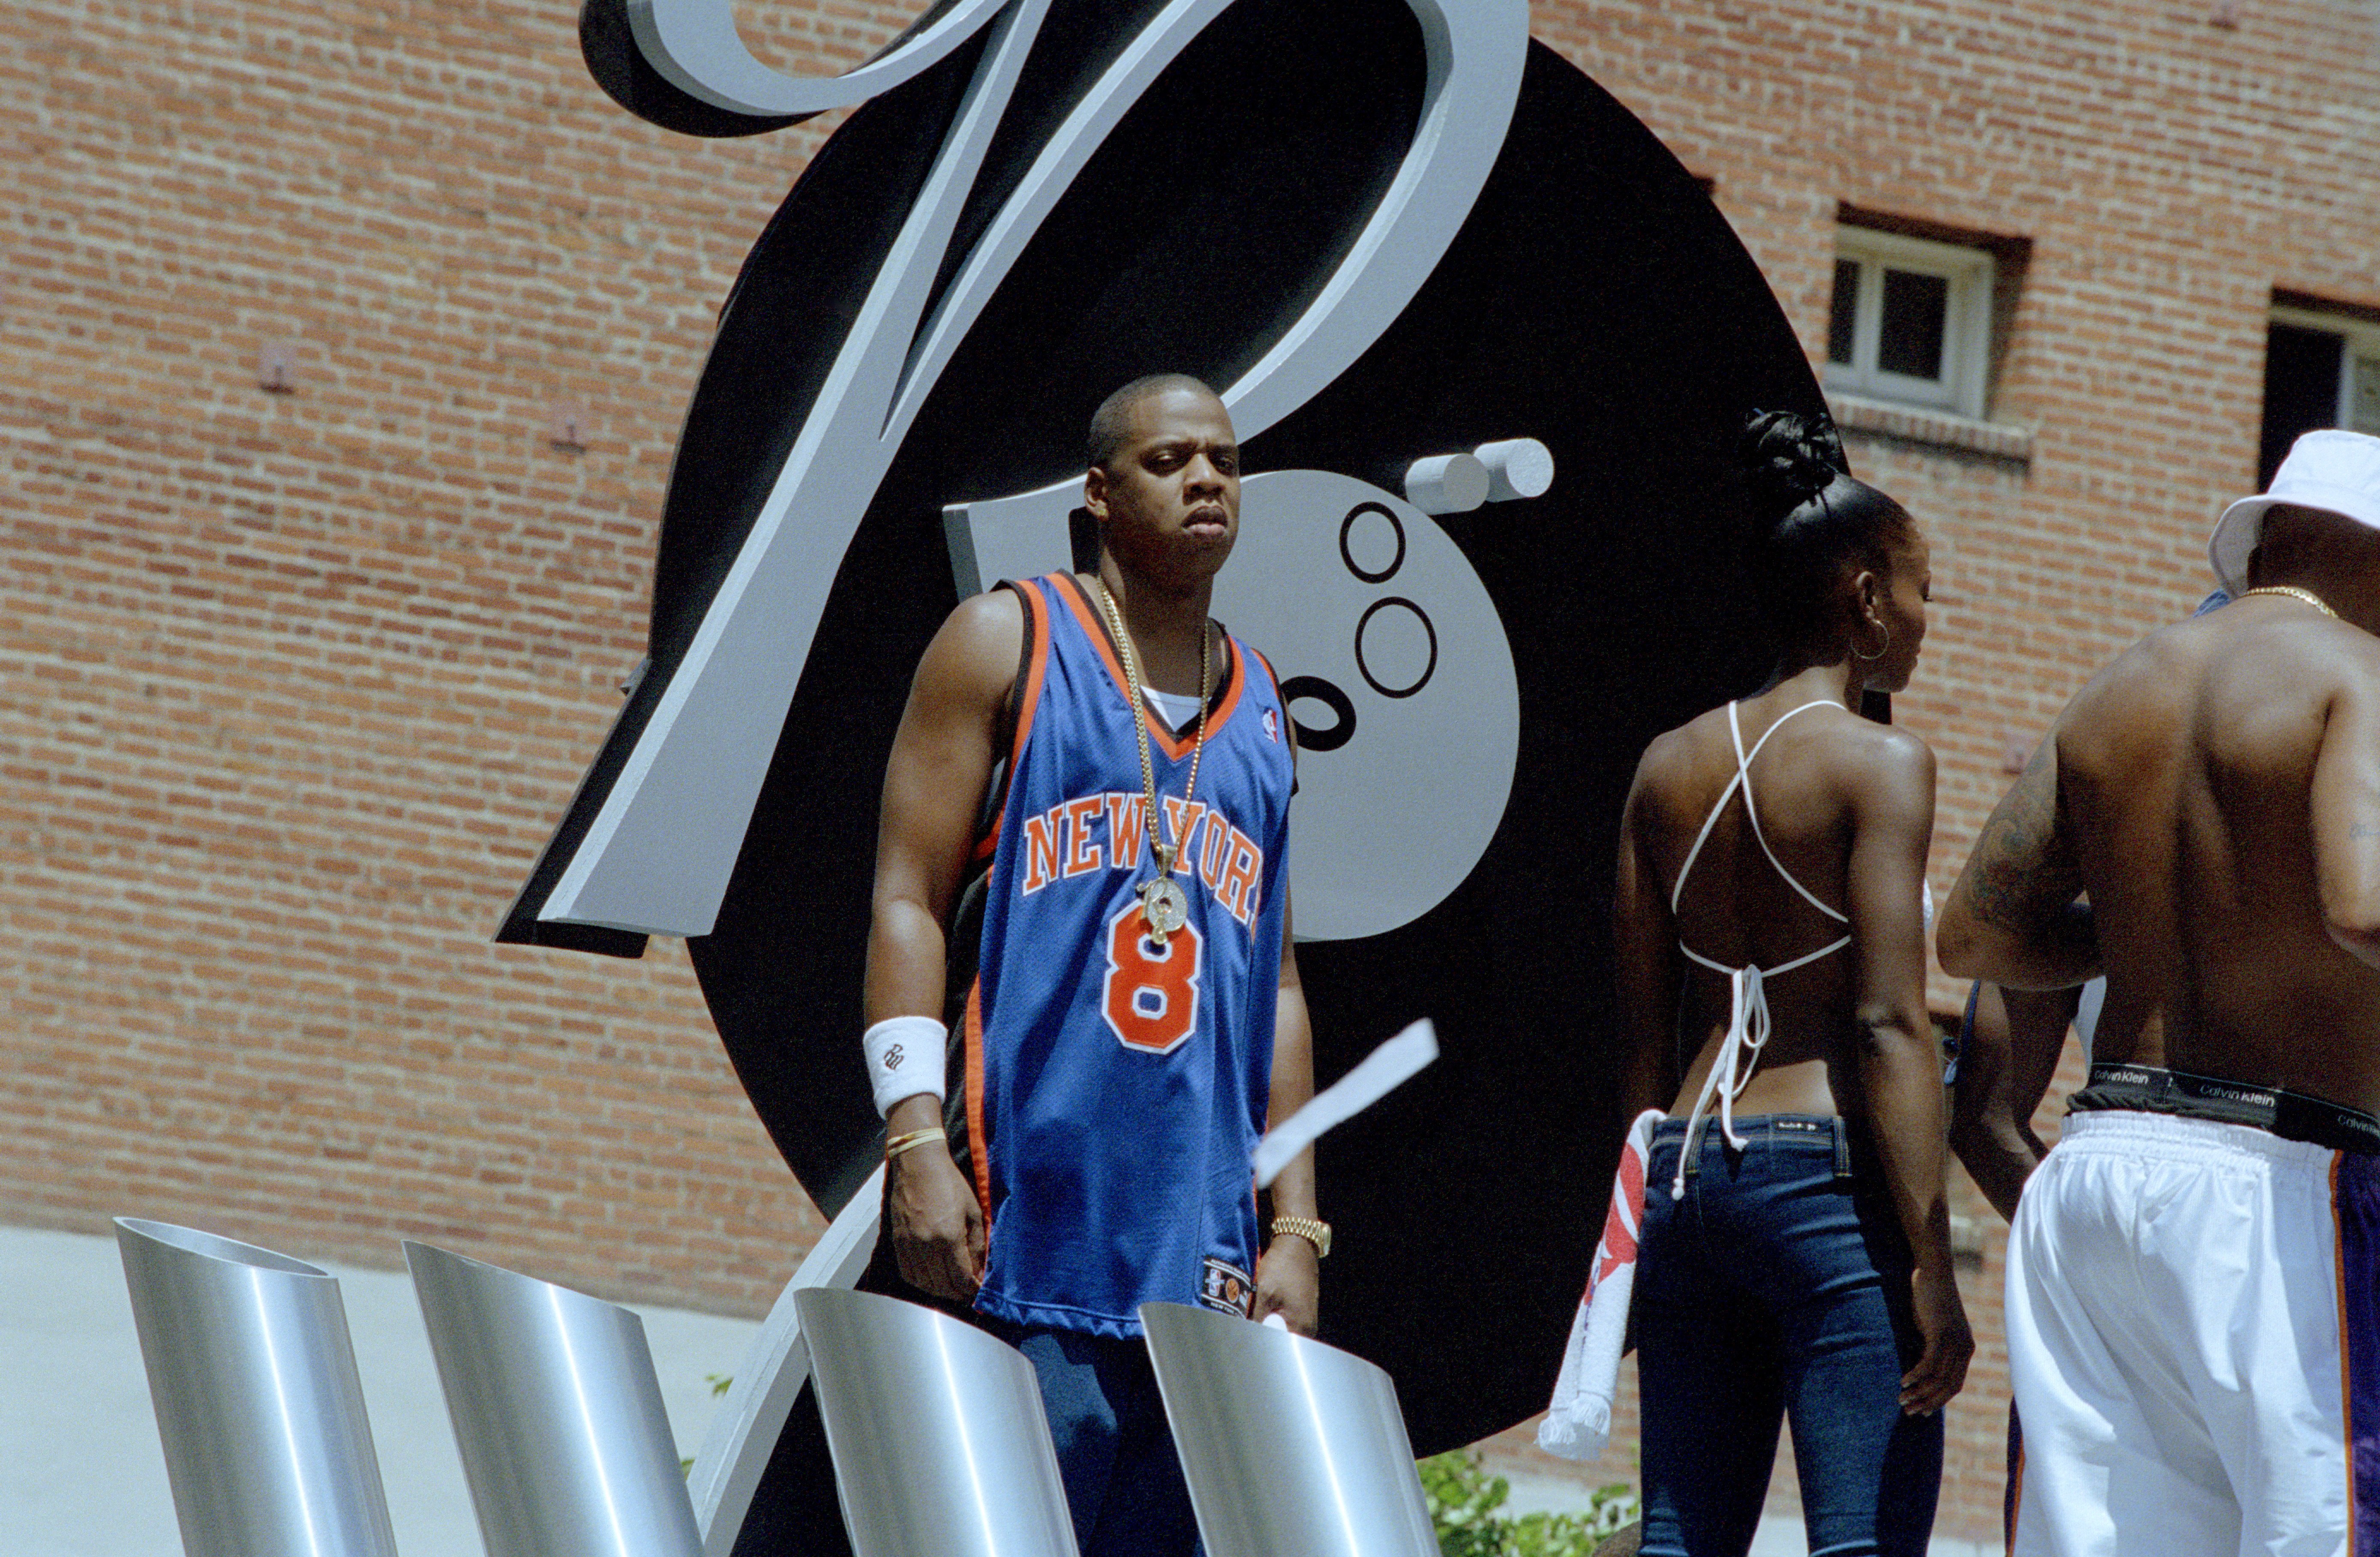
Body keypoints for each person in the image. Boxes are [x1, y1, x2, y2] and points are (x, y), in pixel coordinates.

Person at [857, 373, 1322, 1556]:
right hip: (1017, 1230)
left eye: (1221, 457)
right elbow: (904, 899)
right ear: (1100, 493)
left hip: (1198, 1258)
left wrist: (1297, 1228)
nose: (1205, 477)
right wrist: (912, 1141)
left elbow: (1274, 985)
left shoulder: (1263, 701)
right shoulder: (1003, 639)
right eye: (1169, 460)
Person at [1938, 427, 2380, 1557]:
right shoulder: (2356, 676)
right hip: (2286, 1189)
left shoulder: (2116, 688)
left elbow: (1976, 932)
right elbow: (2365, 904)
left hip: (2097, 1179)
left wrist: (2159, 922)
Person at [1611, 410, 1972, 1557]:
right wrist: (1930, 1256)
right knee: (1859, 1540)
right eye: (1920, 589)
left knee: (1678, 1538)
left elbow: (1639, 1040)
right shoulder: (1879, 762)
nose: (1926, 618)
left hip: (1679, 1177)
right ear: (1864, 597)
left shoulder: (1663, 764)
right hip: (1825, 1182)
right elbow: (1886, 1023)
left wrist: (1629, 1234)